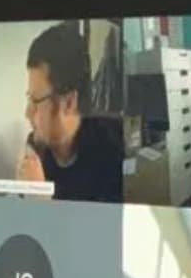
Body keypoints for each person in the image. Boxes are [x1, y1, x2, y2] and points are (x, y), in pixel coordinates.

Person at [15, 21, 123, 203]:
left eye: (36, 101)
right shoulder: (36, 149)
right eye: (29, 99)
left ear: (69, 102)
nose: (27, 113)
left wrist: (40, 200)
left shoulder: (114, 154)